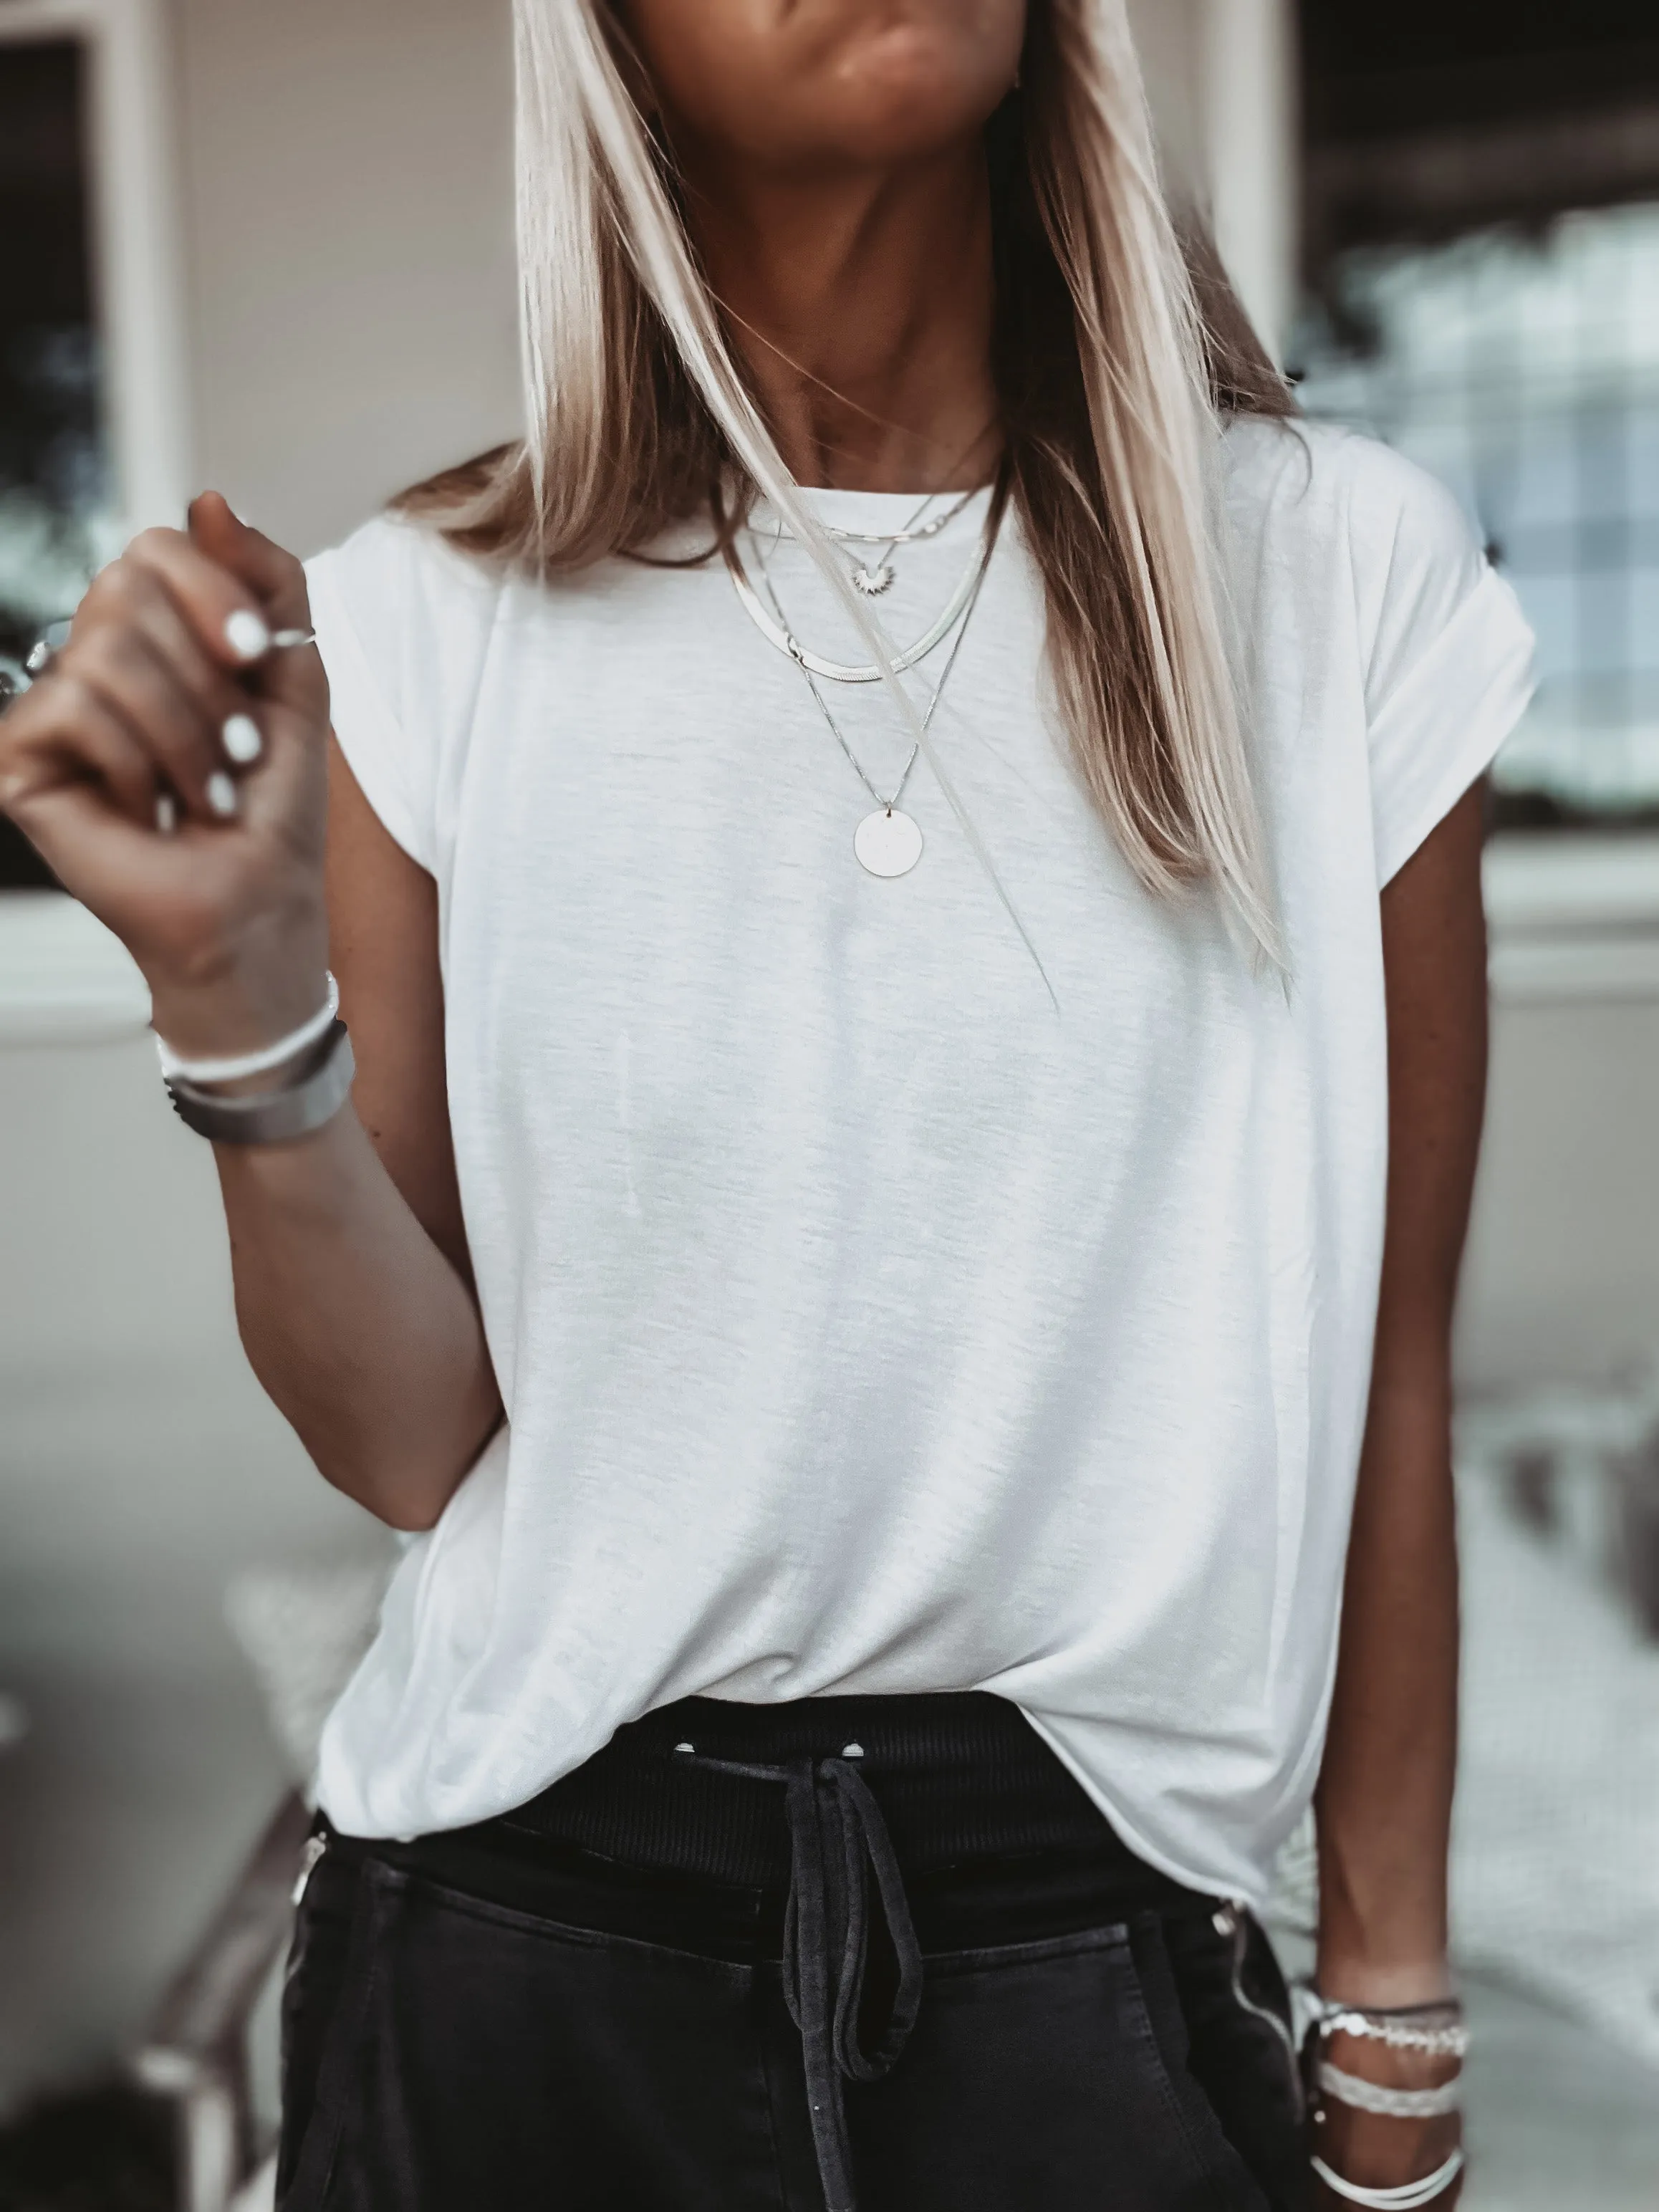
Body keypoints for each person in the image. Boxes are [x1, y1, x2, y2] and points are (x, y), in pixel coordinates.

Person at [0, 1, 1534, 2206]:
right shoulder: (431, 620)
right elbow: (422, 1443)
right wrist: (234, 1004)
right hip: (517, 1937)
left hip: (1087, 1946)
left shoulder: (1334, 571)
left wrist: (1390, 2018)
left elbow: (1387, 1352)